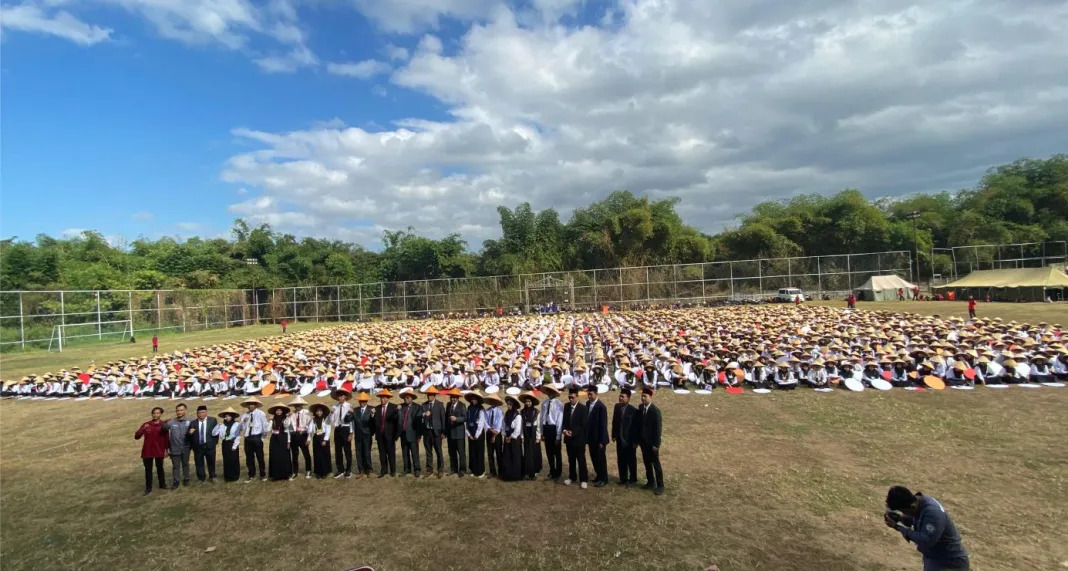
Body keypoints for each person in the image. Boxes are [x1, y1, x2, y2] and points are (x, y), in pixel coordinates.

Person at [884, 486, 970, 571]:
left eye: (903, 511)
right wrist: (899, 518)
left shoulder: (932, 513)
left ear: (912, 507)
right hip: (935, 559)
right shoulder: (919, 504)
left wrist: (898, 527)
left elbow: (926, 540)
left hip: (950, 563)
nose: (904, 514)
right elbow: (916, 519)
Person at [135, 406, 169, 495]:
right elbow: (137, 436)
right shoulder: (146, 424)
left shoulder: (163, 425)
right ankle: (148, 487)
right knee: (148, 470)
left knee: (160, 468)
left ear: (160, 414)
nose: (155, 415)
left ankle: (162, 484)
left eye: (157, 413)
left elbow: (166, 438)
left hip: (159, 449)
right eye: (154, 413)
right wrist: (141, 430)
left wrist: (167, 450)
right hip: (148, 450)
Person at [637, 387, 664, 495]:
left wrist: (656, 444)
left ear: (650, 397)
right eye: (642, 396)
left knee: (655, 464)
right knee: (647, 462)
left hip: (652, 443)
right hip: (643, 442)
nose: (643, 398)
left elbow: (657, 429)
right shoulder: (640, 408)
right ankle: (650, 481)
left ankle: (660, 485)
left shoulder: (655, 411)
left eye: (645, 396)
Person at [161, 403, 193, 489]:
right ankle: (176, 481)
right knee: (176, 466)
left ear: (185, 411)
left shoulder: (190, 421)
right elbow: (163, 429)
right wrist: (164, 422)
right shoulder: (171, 422)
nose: (179, 412)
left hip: (186, 447)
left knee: (185, 463)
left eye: (181, 410)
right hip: (174, 447)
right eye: (178, 410)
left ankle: (186, 478)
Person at [562, 387, 589, 489]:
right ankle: (572, 477)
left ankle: (584, 479)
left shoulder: (583, 408)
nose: (570, 399)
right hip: (568, 438)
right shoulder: (566, 406)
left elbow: (583, 425)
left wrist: (573, 433)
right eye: (569, 397)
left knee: (581, 460)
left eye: (572, 397)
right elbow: (564, 421)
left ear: (577, 397)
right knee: (571, 459)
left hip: (579, 439)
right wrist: (565, 431)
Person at [612, 388, 639, 486]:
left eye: (623, 397)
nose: (620, 398)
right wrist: (614, 435)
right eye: (620, 396)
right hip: (619, 438)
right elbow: (615, 422)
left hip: (629, 440)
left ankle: (633, 479)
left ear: (628, 398)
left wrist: (636, 441)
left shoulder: (634, 411)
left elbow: (636, 428)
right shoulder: (617, 407)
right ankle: (623, 478)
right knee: (621, 459)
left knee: (631, 460)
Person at [240, 397, 269, 482]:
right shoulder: (245, 415)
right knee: (249, 457)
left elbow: (264, 425)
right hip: (247, 437)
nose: (250, 406)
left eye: (252, 404)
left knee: (260, 456)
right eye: (249, 404)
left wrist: (262, 437)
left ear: (255, 405)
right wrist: (243, 422)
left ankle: (262, 474)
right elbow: (241, 428)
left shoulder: (261, 413)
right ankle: (251, 474)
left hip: (257, 437)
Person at [585, 384, 609, 487]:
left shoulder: (601, 407)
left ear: (596, 394)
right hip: (591, 437)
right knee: (594, 457)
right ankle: (598, 476)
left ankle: (604, 478)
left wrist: (602, 441)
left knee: (601, 459)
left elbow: (603, 425)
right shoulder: (587, 403)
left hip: (599, 438)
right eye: (588, 394)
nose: (589, 396)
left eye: (590, 394)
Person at [187, 404, 218, 484]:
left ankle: (212, 476)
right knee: (199, 462)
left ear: (206, 412)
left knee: (211, 461)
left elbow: (216, 432)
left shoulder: (212, 420)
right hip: (198, 447)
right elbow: (189, 435)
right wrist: (190, 433)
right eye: (199, 413)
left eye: (203, 412)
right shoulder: (193, 423)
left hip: (209, 446)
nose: (201, 414)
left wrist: (214, 443)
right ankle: (201, 478)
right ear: (197, 414)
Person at [539, 384, 564, 481]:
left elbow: (559, 419)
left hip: (554, 429)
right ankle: (552, 470)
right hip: (546, 428)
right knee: (549, 452)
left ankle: (558, 472)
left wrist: (558, 436)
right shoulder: (544, 403)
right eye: (548, 391)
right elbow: (542, 418)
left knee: (557, 452)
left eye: (551, 391)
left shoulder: (559, 404)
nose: (549, 393)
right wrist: (542, 432)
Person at [373, 389, 399, 478]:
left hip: (390, 434)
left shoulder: (394, 407)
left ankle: (393, 470)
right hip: (380, 434)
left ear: (388, 398)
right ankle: (383, 470)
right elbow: (375, 422)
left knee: (391, 453)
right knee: (382, 453)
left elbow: (396, 422)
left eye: (384, 398)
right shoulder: (377, 408)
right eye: (381, 398)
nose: (382, 400)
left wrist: (396, 435)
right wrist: (373, 415)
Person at [329, 388, 354, 479]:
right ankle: (340, 469)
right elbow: (331, 421)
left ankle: (348, 470)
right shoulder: (335, 407)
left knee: (347, 450)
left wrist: (351, 433)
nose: (339, 398)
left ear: (345, 397)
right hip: (337, 429)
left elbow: (351, 421)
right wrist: (331, 413)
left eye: (341, 396)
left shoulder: (349, 406)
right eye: (338, 396)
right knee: (338, 451)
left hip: (346, 429)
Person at [421, 386, 447, 478]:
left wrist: (444, 432)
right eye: (428, 395)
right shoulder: (424, 405)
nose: (429, 396)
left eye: (431, 395)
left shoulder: (440, 404)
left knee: (438, 451)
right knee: (428, 451)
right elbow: (419, 416)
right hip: (427, 432)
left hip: (437, 432)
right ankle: (429, 470)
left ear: (434, 395)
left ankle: (440, 470)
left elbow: (443, 419)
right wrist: (424, 414)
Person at [212, 407, 243, 482]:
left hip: (232, 443)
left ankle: (235, 476)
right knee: (226, 460)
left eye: (228, 416)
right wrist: (217, 426)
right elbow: (214, 433)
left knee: (234, 460)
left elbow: (238, 435)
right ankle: (227, 476)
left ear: (232, 417)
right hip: (225, 443)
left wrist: (235, 445)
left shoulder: (236, 424)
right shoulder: (222, 425)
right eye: (226, 416)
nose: (227, 418)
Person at [286, 396, 313, 479]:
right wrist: (287, 417)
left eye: (298, 405)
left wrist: (308, 438)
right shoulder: (292, 414)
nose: (296, 406)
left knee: (306, 454)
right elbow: (288, 426)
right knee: (294, 455)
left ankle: (308, 470)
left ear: (301, 405)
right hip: (294, 435)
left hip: (303, 435)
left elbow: (310, 425)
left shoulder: (307, 412)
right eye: (295, 405)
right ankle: (295, 471)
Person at [499, 395, 524, 481]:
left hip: (514, 439)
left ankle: (515, 475)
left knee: (515, 456)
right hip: (507, 438)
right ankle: (507, 475)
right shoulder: (506, 414)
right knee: (507, 456)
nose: (508, 406)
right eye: (508, 404)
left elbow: (518, 429)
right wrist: (505, 435)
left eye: (510, 404)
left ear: (514, 405)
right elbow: (504, 425)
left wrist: (511, 437)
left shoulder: (518, 416)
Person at [444, 387, 468, 477]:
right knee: (452, 452)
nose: (453, 399)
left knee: (461, 452)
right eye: (451, 397)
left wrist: (457, 419)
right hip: (450, 433)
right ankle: (453, 468)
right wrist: (445, 432)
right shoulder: (448, 405)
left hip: (459, 433)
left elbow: (465, 418)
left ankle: (462, 469)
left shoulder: (462, 405)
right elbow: (446, 419)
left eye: (454, 397)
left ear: (458, 398)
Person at [519, 392, 542, 480]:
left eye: (529, 401)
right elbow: (521, 425)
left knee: (534, 452)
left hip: (534, 433)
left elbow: (539, 425)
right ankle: (527, 470)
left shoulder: (536, 412)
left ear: (532, 402)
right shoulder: (522, 412)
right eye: (526, 402)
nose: (528, 403)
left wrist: (538, 436)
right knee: (527, 452)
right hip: (526, 432)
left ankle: (535, 471)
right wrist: (522, 436)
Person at [266, 405, 293, 481]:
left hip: (283, 438)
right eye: (277, 410)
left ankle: (286, 475)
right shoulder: (273, 419)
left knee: (284, 457)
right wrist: (269, 421)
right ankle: (275, 475)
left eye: (280, 410)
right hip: (274, 439)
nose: (278, 412)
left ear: (282, 411)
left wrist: (288, 441)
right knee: (275, 457)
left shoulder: (286, 419)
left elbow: (289, 429)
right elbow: (267, 429)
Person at [352, 392, 375, 477]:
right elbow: (348, 419)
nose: (362, 402)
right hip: (358, 435)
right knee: (358, 452)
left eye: (363, 401)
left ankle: (369, 469)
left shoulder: (371, 409)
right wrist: (349, 413)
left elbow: (374, 422)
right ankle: (361, 470)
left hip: (367, 434)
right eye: (360, 401)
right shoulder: (355, 410)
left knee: (366, 452)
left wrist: (373, 414)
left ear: (366, 401)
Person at [464, 392, 487, 478]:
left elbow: (481, 423)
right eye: (472, 399)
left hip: (479, 434)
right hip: (471, 433)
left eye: (475, 399)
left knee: (479, 452)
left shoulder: (481, 409)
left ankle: (481, 471)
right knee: (472, 452)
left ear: (478, 400)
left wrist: (476, 435)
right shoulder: (469, 408)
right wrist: (469, 434)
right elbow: (467, 421)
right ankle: (473, 470)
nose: (473, 401)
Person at [308, 403, 333, 478]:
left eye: (320, 411)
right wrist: (309, 438)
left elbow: (328, 430)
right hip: (316, 438)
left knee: (324, 455)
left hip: (324, 437)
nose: (319, 413)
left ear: (323, 412)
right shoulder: (313, 419)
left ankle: (325, 472)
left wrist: (325, 440)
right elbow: (310, 430)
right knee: (317, 455)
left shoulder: (326, 419)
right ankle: (318, 472)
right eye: (317, 411)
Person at [483, 393, 504, 478]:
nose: (493, 402)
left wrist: (494, 436)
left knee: (499, 453)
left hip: (497, 434)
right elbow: (485, 422)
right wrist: (489, 429)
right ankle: (492, 471)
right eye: (492, 401)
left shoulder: (500, 412)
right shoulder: (487, 411)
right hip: (489, 432)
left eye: (495, 401)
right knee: (490, 453)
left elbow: (499, 425)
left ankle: (500, 471)